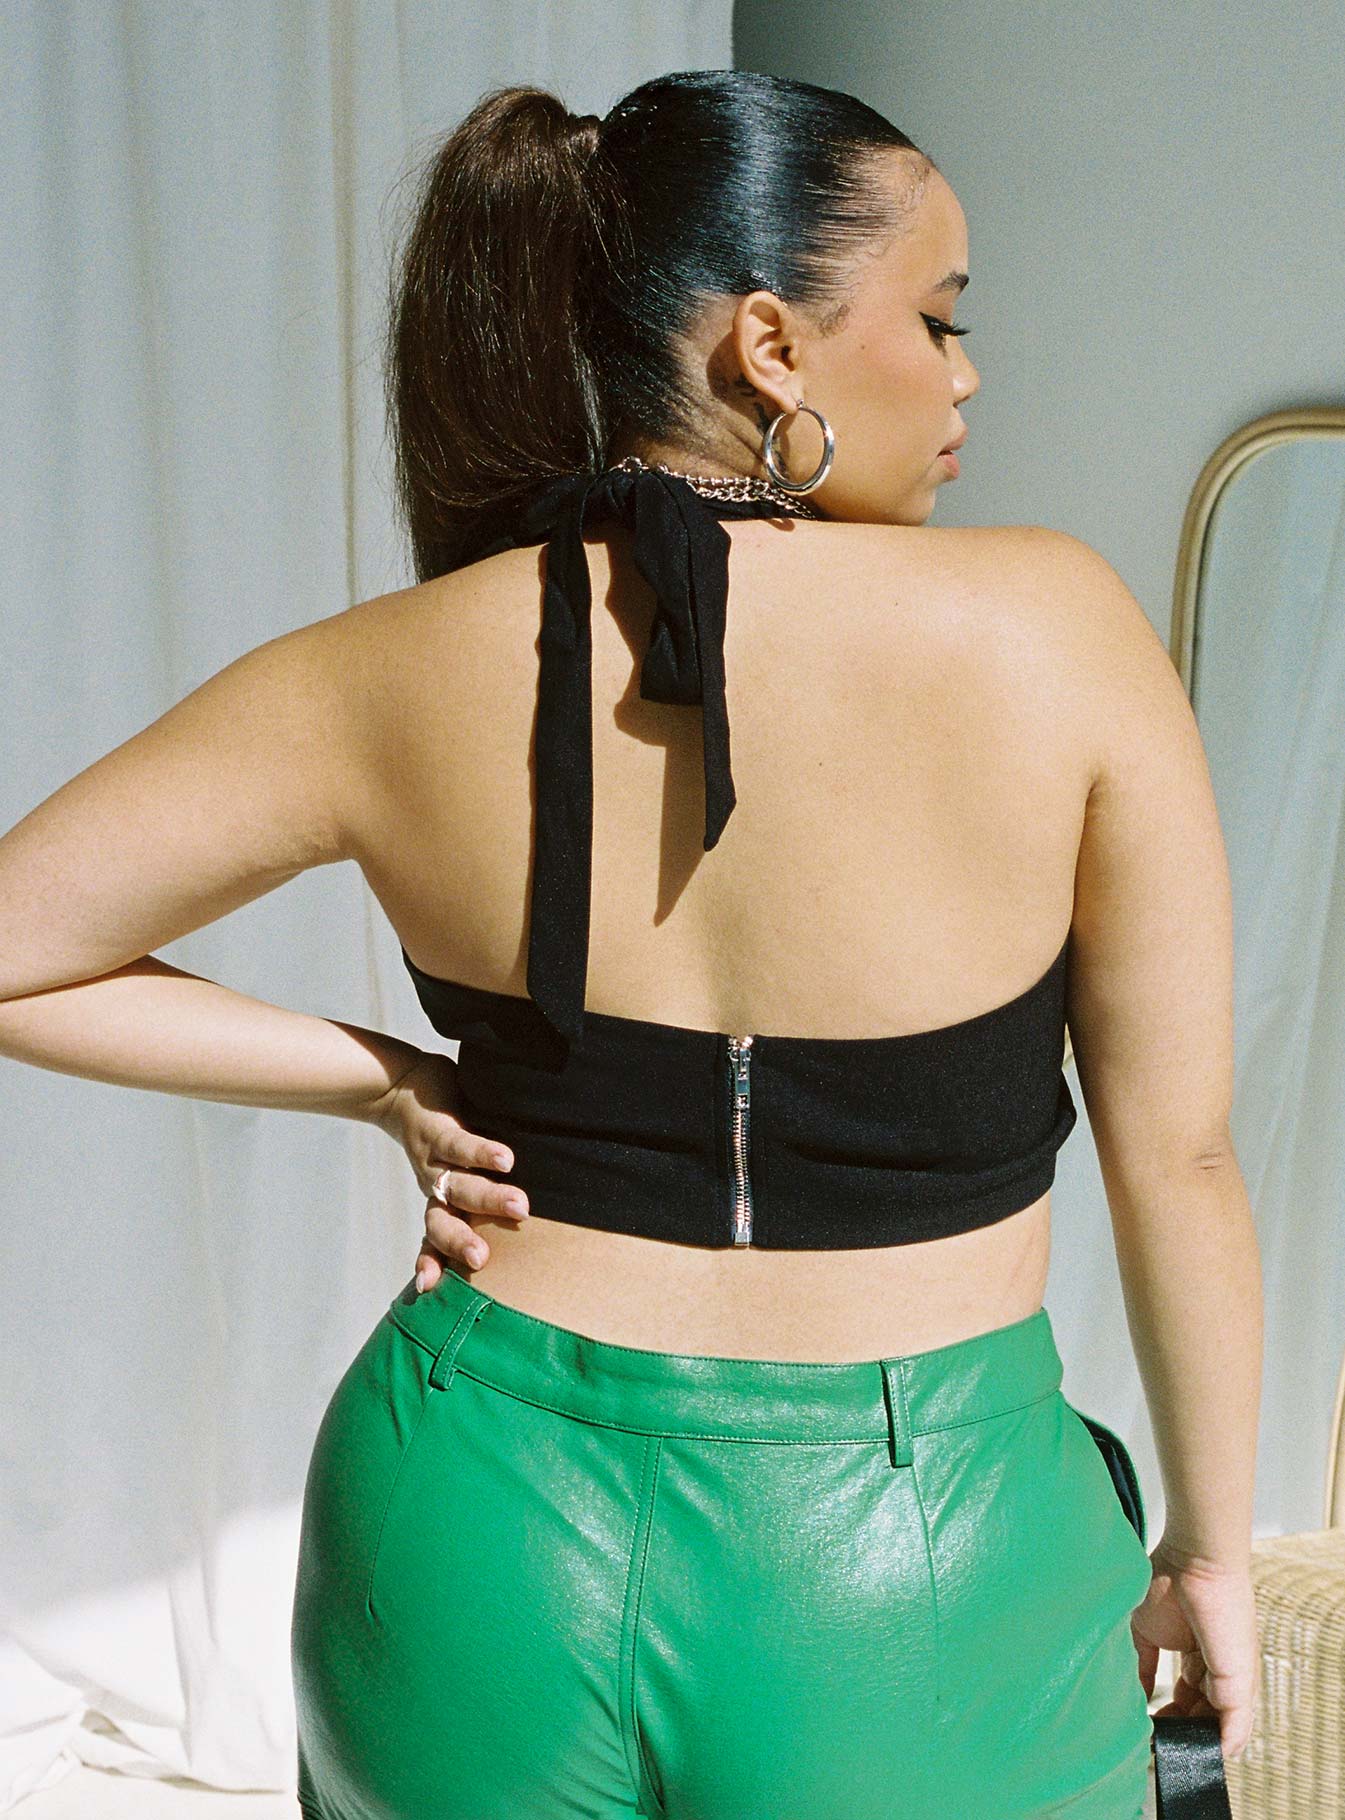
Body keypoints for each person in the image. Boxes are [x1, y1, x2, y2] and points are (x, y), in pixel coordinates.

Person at [0, 67, 1261, 1820]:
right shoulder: (1053, 625)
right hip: (909, 1562)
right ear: (770, 347)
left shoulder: (390, 663)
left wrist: (385, 1080)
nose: (964, 375)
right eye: (938, 318)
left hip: (466, 1517)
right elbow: (1176, 1160)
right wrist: (1206, 1548)